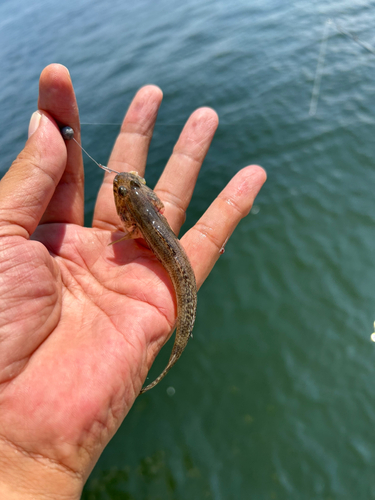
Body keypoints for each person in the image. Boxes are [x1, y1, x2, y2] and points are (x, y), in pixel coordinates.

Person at [0, 64, 266, 499]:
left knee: (182, 287)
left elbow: (133, 227)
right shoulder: (148, 205)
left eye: (126, 188)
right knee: (182, 283)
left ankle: (175, 353)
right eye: (127, 188)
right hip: (165, 245)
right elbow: (144, 213)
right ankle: (175, 353)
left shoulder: (134, 217)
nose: (125, 185)